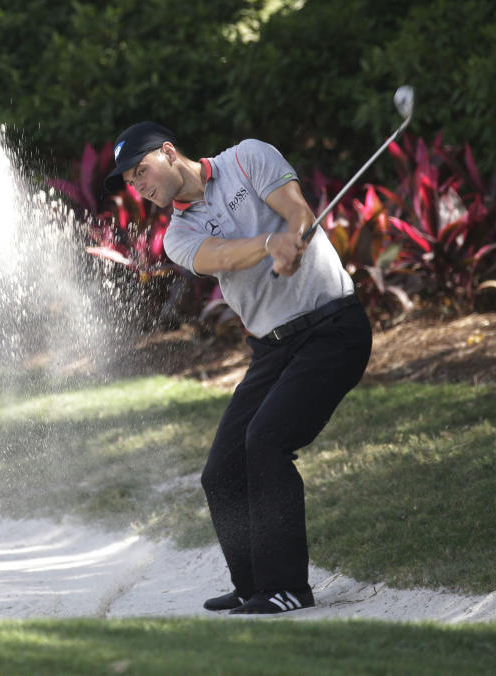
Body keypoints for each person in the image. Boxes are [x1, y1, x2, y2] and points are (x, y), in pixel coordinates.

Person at [104, 122, 372, 614]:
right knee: (221, 473)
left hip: (333, 328)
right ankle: (252, 584)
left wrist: (292, 236)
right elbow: (222, 256)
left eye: (141, 170)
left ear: (168, 152)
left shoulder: (249, 158)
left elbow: (297, 211)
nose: (138, 186)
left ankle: (288, 587)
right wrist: (271, 247)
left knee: (266, 442)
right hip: (273, 348)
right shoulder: (178, 235)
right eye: (129, 181)